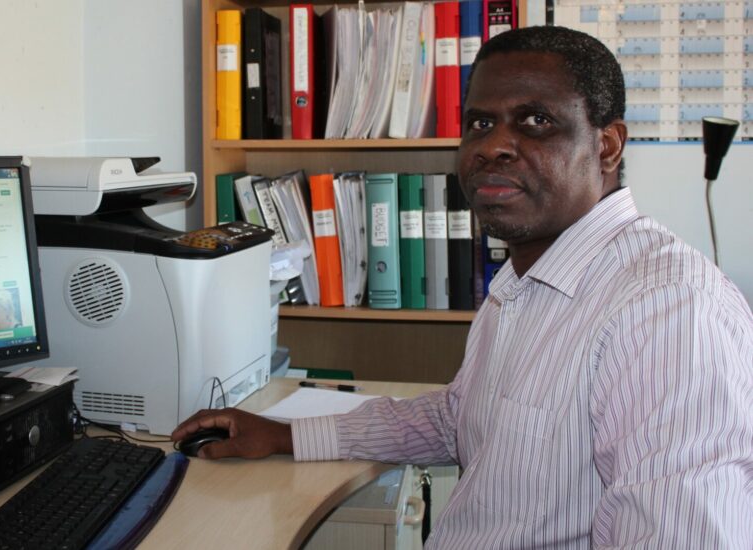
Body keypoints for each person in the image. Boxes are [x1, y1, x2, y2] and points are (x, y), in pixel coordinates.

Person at [171, 26, 753, 548]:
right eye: (480, 123)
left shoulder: (667, 311)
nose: (493, 145)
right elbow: (459, 419)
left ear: (606, 146)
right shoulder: (523, 279)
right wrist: (284, 436)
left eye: (536, 121)